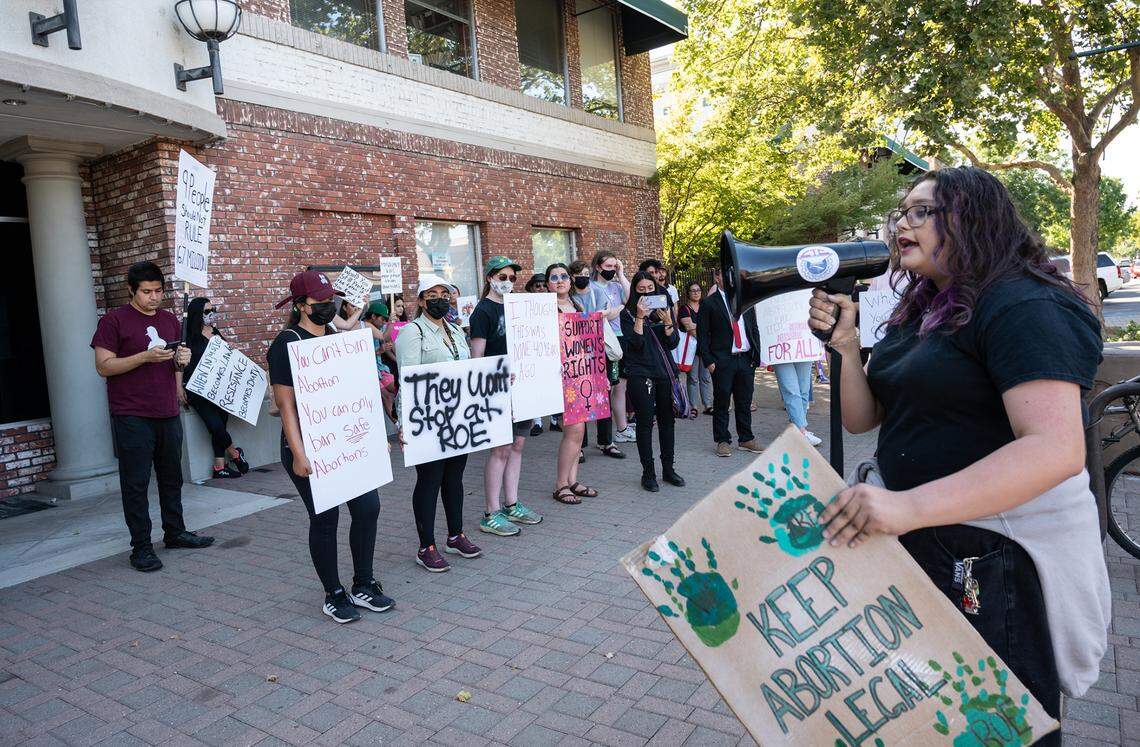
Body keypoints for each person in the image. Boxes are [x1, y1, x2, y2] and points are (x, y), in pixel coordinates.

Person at [810, 167, 1108, 736]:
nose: (904, 223)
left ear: (973, 220)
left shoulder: (1024, 304)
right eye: (902, 211)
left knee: (998, 723)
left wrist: (907, 507)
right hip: (932, 543)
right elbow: (863, 417)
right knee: (939, 720)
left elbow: (1055, 448)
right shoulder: (923, 307)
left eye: (924, 211)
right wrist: (846, 347)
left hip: (993, 559)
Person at [267, 271, 393, 623]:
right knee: (325, 517)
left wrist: (375, 435)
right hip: (308, 447)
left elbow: (360, 391)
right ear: (301, 306)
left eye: (331, 301)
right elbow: (285, 405)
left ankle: (364, 583)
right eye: (321, 302)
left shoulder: (338, 337)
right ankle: (333, 593)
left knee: (368, 507)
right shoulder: (286, 342)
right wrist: (298, 453)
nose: (328, 307)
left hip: (346, 442)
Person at [91, 261, 214, 572]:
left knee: (171, 478)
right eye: (146, 292)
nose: (153, 297)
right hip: (131, 413)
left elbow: (174, 364)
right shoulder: (114, 320)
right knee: (136, 483)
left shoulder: (171, 320)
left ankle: (174, 532)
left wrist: (180, 364)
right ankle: (141, 547)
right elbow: (104, 366)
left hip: (167, 410)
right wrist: (145, 356)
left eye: (158, 291)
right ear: (131, 290)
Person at [394, 276, 483, 572]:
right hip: (427, 419)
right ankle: (426, 546)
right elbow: (406, 378)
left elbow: (467, 371)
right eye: (432, 294)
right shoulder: (412, 332)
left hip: (456, 417)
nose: (439, 299)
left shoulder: (457, 330)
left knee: (454, 478)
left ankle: (455, 535)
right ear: (420, 301)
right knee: (430, 480)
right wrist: (405, 421)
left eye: (444, 293)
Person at [469, 256, 543, 537]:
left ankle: (512, 504)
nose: (508, 282)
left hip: (523, 387)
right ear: (490, 278)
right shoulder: (483, 312)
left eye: (512, 278)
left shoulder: (519, 307)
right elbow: (478, 358)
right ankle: (491, 511)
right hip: (497, 389)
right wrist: (494, 378)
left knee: (518, 445)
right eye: (503, 277)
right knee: (500, 449)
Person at [620, 272, 684, 492]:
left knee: (668, 422)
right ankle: (648, 473)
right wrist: (639, 317)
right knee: (645, 424)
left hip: (664, 373)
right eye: (641, 290)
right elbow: (635, 344)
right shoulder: (627, 314)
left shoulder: (663, 311)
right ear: (634, 292)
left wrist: (668, 322)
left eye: (650, 289)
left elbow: (673, 343)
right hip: (641, 374)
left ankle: (669, 469)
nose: (647, 293)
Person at [179, 297, 251, 479]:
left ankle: (219, 466)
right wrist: (178, 388)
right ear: (197, 314)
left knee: (220, 425)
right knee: (216, 425)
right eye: (206, 311)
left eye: (213, 309)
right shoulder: (188, 337)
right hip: (198, 390)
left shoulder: (216, 333)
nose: (211, 314)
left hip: (220, 389)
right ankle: (235, 453)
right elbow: (179, 364)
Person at [547, 263, 600, 504]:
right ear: (548, 282)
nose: (560, 280)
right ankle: (560, 484)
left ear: (570, 280)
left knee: (580, 431)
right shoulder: (546, 309)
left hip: (582, 374)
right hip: (561, 376)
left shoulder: (577, 305)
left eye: (564, 276)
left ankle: (572, 479)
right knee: (574, 429)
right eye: (554, 277)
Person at [697, 267, 763, 457]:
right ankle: (722, 440)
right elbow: (702, 335)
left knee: (744, 400)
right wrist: (709, 362)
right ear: (717, 277)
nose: (731, 279)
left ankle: (746, 438)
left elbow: (753, 327)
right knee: (722, 402)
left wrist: (755, 356)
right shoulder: (709, 303)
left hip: (745, 359)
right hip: (722, 361)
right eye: (725, 275)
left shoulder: (746, 300)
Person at [571, 260, 624, 460]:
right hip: (577, 352)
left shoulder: (597, 292)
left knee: (604, 394)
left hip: (600, 349)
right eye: (579, 274)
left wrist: (604, 313)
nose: (583, 277)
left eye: (586, 273)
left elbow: (608, 313)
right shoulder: (570, 297)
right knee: (579, 398)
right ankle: (579, 445)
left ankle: (606, 441)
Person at [591, 251, 633, 443]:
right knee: (607, 386)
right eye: (608, 267)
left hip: (620, 340)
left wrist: (621, 273)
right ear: (598, 267)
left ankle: (622, 428)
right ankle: (605, 437)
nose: (612, 270)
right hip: (603, 341)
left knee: (620, 385)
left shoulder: (616, 286)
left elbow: (632, 299)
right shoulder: (591, 287)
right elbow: (596, 316)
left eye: (614, 266)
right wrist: (614, 311)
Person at [677, 281, 713, 417]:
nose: (696, 292)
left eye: (698, 290)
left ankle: (708, 405)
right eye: (693, 290)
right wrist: (704, 329)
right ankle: (694, 406)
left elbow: (711, 324)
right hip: (692, 349)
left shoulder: (705, 306)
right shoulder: (684, 309)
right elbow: (689, 328)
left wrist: (696, 326)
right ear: (688, 293)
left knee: (706, 377)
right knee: (692, 378)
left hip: (705, 348)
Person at [771, 361, 822, 446]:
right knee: (791, 390)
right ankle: (801, 431)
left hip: (804, 349)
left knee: (804, 389)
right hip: (781, 350)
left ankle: (798, 429)